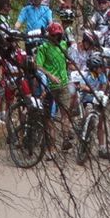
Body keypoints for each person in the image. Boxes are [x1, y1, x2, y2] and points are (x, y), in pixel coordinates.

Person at [34, 22, 72, 154]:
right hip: (50, 87)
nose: (57, 38)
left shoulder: (63, 45)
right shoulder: (43, 48)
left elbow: (67, 61)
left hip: (63, 84)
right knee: (49, 118)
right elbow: (38, 66)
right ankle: (51, 148)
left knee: (65, 114)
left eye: (59, 35)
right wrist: (50, 76)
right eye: (55, 35)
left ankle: (66, 139)